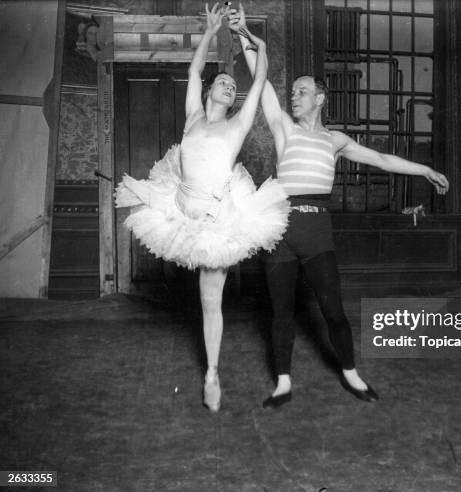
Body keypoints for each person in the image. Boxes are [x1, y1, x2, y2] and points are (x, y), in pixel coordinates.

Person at [229, 5, 449, 408]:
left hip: (317, 234)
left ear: (321, 98)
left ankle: (351, 373)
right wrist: (242, 32)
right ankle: (282, 382)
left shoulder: (335, 140)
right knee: (281, 312)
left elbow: (383, 160)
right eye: (292, 92)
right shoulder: (284, 129)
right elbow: (262, 82)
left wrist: (424, 169)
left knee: (333, 308)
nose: (294, 96)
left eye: (302, 91)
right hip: (280, 228)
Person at [115, 3, 290, 413]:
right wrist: (210, 33)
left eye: (233, 86)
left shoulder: (237, 124)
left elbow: (261, 76)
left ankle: (212, 372)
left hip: (215, 222)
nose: (229, 87)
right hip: (177, 209)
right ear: (211, 90)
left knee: (210, 300)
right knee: (197, 292)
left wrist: (252, 38)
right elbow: (194, 72)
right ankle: (210, 369)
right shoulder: (193, 116)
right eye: (224, 82)